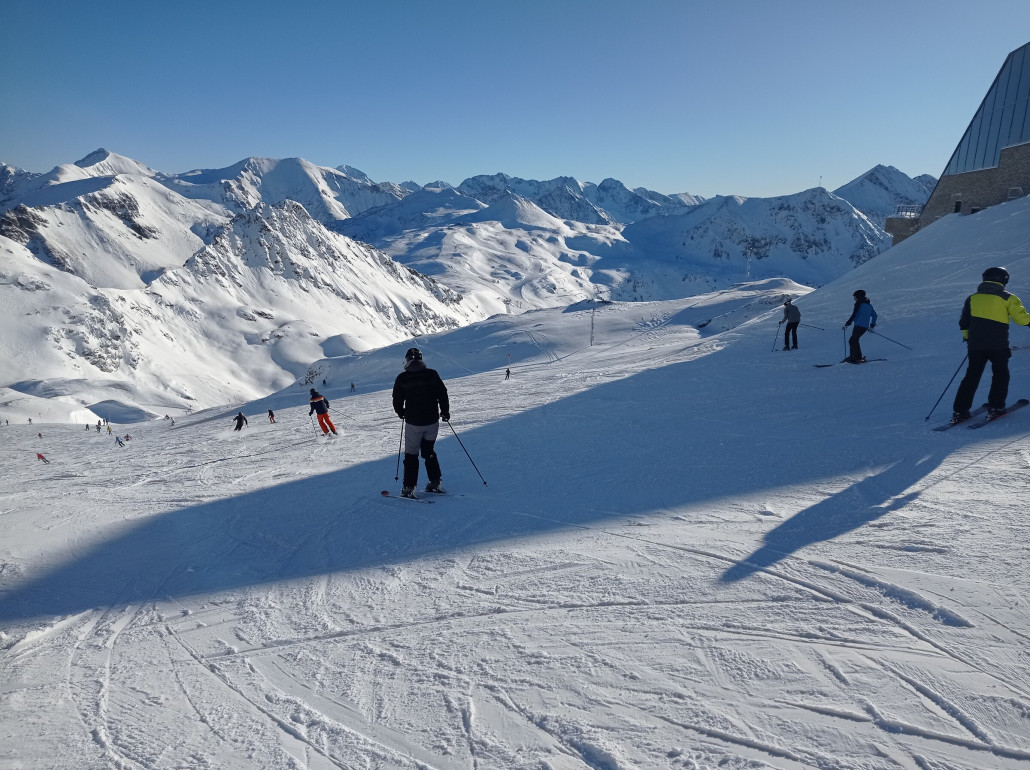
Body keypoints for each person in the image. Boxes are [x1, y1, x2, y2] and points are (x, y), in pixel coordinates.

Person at [952, 267, 1030, 422]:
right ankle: (996, 407)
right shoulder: (1008, 297)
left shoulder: (972, 298)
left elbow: (964, 322)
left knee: (972, 376)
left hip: (976, 346)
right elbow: (1022, 320)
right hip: (998, 345)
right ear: (1003, 280)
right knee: (1000, 374)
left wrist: (968, 339)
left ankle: (960, 411)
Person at [392, 347, 449, 498]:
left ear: (407, 360)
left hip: (414, 423)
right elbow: (442, 393)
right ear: (421, 359)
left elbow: (397, 400)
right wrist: (445, 412)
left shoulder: (402, 378)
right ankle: (435, 482)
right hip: (432, 422)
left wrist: (401, 412)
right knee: (428, 451)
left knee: (411, 455)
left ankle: (409, 487)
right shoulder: (432, 374)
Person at [843, 290, 877, 363]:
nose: (854, 299)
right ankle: (853, 356)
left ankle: (856, 357)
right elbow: (874, 315)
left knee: (853, 340)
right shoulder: (869, 305)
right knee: (853, 340)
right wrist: (872, 326)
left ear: (858, 296)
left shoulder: (859, 304)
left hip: (858, 325)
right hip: (865, 327)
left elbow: (854, 314)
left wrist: (848, 323)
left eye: (855, 297)